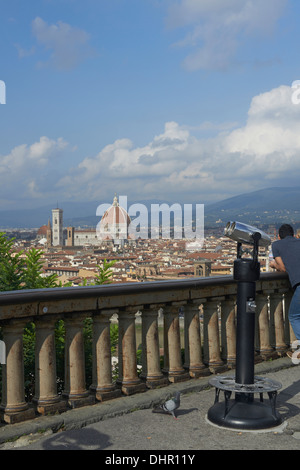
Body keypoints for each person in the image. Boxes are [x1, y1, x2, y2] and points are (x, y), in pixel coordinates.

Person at [270, 224, 300, 357]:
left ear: (278, 236)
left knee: (293, 316)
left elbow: (282, 268)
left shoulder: (276, 245)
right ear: (293, 234)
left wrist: (273, 264)